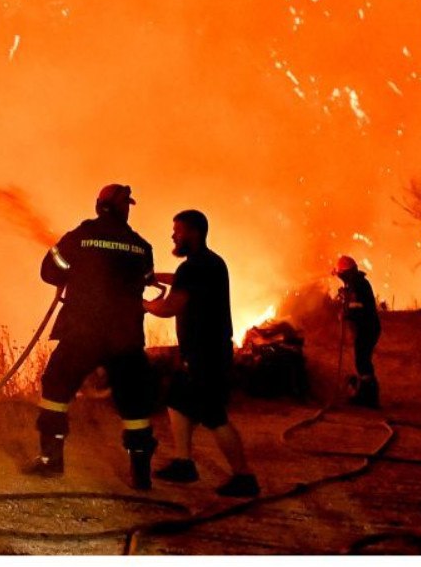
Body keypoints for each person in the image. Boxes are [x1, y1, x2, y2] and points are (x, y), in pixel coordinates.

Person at [26, 183, 161, 490]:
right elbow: (145, 278)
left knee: (56, 388)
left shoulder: (80, 236)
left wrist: (75, 274)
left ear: (99, 206)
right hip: (125, 338)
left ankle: (50, 461)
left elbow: (50, 270)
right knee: (135, 404)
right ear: (123, 208)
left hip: (82, 332)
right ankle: (141, 475)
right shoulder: (141, 246)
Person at [143, 210, 259, 498]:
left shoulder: (192, 268)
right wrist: (155, 276)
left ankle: (244, 477)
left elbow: (171, 306)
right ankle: (184, 462)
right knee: (177, 400)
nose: (173, 235)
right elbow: (185, 281)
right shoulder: (211, 263)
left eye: (177, 230)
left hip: (204, 355)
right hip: (210, 351)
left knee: (213, 415)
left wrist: (142, 304)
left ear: (193, 232)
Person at [332, 255, 381, 408]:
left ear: (346, 273)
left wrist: (345, 314)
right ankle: (367, 394)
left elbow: (358, 308)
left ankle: (368, 397)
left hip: (367, 328)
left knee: (362, 360)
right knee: (362, 360)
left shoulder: (357, 285)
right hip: (367, 327)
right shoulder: (356, 283)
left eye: (341, 275)